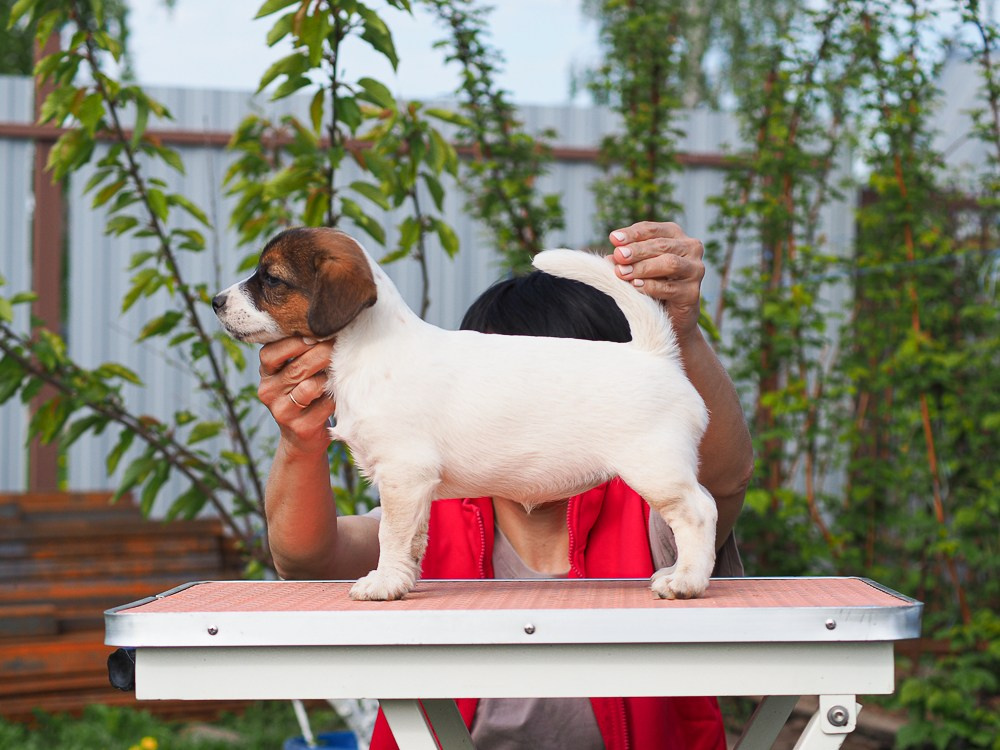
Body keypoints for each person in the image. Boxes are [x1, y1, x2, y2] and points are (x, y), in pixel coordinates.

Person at [256, 221, 754, 750]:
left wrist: (682, 333)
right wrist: (300, 442)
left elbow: (723, 478)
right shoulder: (436, 502)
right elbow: (305, 561)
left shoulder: (644, 520)